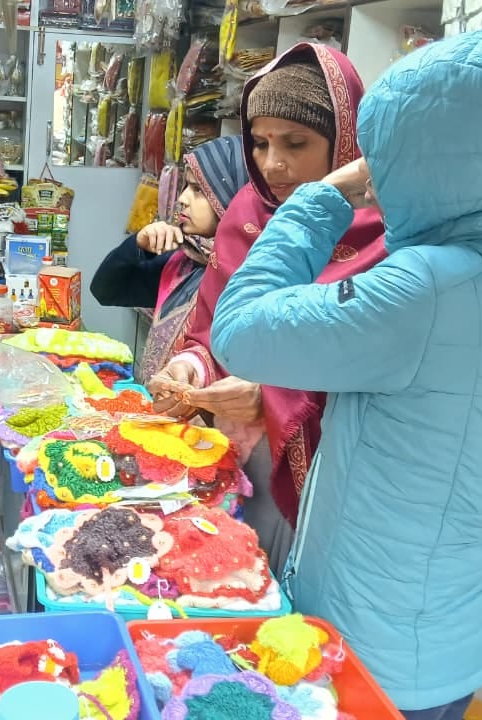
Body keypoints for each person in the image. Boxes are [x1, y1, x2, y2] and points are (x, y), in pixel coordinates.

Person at [209, 32, 482, 718]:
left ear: (423, 157)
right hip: (464, 635)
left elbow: (239, 332)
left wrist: (323, 197)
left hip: (370, 644)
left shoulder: (421, 289)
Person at [147, 44, 387, 573]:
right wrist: (189, 368)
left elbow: (370, 371)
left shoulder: (386, 238)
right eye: (258, 143)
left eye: (296, 143)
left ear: (345, 143)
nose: (272, 163)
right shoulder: (246, 214)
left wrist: (268, 396)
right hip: (230, 452)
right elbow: (212, 326)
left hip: (322, 472)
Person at [90, 135, 249, 383]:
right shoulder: (182, 264)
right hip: (161, 415)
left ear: (232, 196)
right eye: (186, 186)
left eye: (198, 190)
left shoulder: (248, 278)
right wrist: (137, 245)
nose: (182, 198)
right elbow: (104, 291)